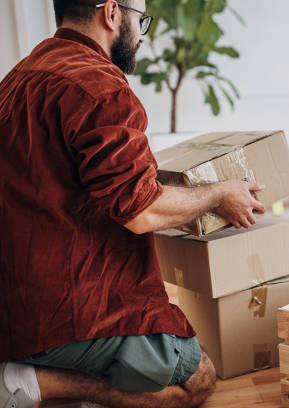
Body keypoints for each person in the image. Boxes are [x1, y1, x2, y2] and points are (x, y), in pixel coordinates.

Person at [0, 1, 265, 407]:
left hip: (13, 307)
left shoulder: (19, 77)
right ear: (111, 13)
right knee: (198, 381)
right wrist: (219, 193)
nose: (143, 35)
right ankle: (35, 383)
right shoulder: (100, 85)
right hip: (65, 311)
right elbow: (142, 212)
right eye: (141, 20)